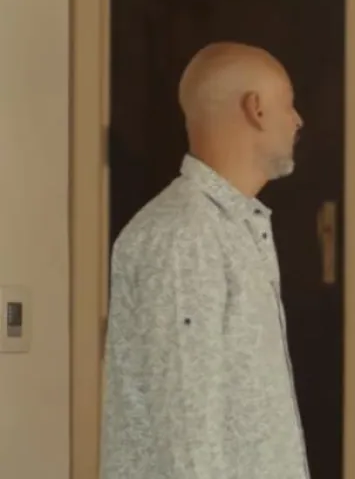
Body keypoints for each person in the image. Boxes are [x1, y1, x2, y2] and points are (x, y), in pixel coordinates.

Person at [100, 42, 308, 479]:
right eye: (288, 104)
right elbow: (187, 429)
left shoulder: (233, 227)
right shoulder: (186, 236)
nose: (297, 120)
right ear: (256, 109)